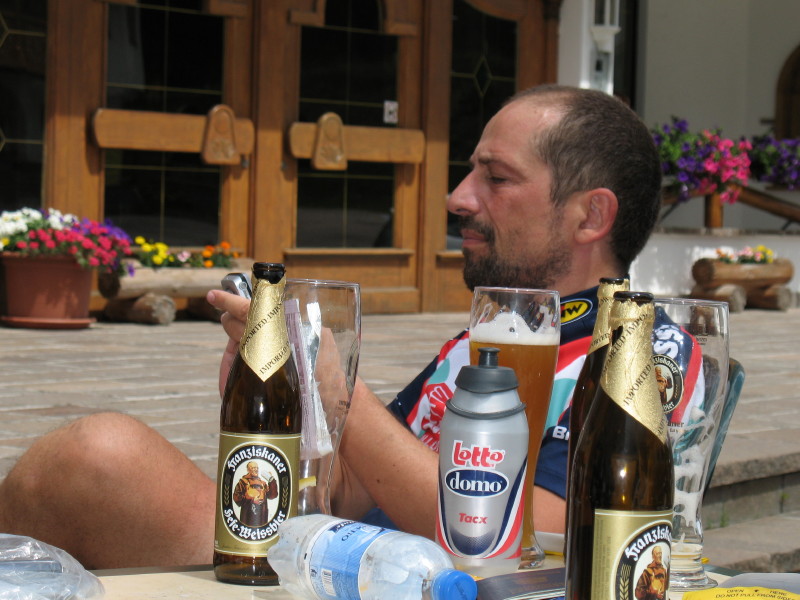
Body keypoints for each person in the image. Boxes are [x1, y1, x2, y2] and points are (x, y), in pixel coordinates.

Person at [0, 84, 662, 569]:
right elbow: (347, 491)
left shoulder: (643, 358)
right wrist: (296, 400)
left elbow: (554, 536)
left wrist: (338, 386)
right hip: (343, 559)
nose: (458, 197)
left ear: (590, 216)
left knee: (100, 458)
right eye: (470, 173)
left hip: (419, 582)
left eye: (496, 178)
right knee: (88, 469)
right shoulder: (487, 339)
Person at [233, 461, 277, 527]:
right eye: (253, 468)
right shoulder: (243, 482)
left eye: (257, 468)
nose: (256, 469)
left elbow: (272, 495)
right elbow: (236, 498)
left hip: (262, 515)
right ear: (248, 470)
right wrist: (250, 499)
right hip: (247, 516)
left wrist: (271, 481)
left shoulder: (262, 483)